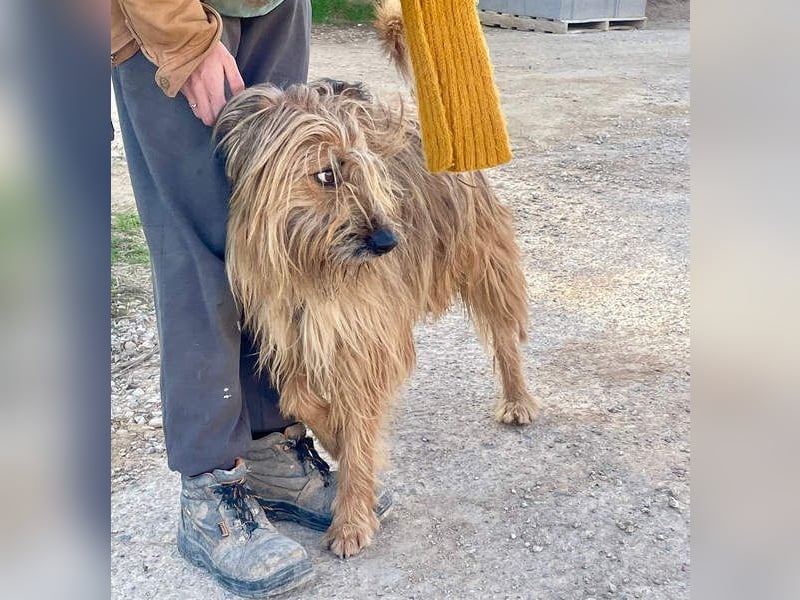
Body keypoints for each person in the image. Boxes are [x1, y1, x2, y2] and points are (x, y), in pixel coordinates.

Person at [111, 1, 391, 596]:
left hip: (273, 9)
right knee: (202, 254)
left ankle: (270, 448)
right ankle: (211, 485)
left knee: (279, 249)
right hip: (171, 18)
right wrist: (181, 37)